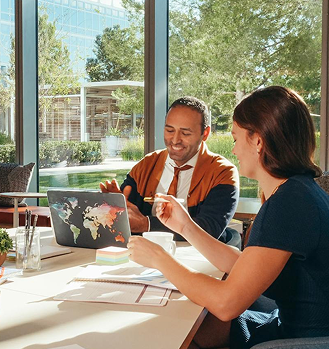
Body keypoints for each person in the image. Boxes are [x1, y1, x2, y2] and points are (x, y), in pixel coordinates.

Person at [127, 86, 329, 349]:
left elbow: (226, 304)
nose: (232, 150)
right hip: (320, 333)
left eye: (235, 138)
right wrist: (184, 226)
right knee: (196, 336)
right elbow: (245, 265)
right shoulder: (301, 190)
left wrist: (160, 260)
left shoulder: (289, 204)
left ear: (257, 141)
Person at [100, 96, 239, 245]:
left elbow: (209, 229)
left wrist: (146, 224)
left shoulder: (223, 173)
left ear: (205, 133)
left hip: (198, 260)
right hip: (145, 256)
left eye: (185, 133)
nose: (175, 140)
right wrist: (117, 208)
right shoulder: (147, 165)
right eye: (169, 130)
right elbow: (128, 218)